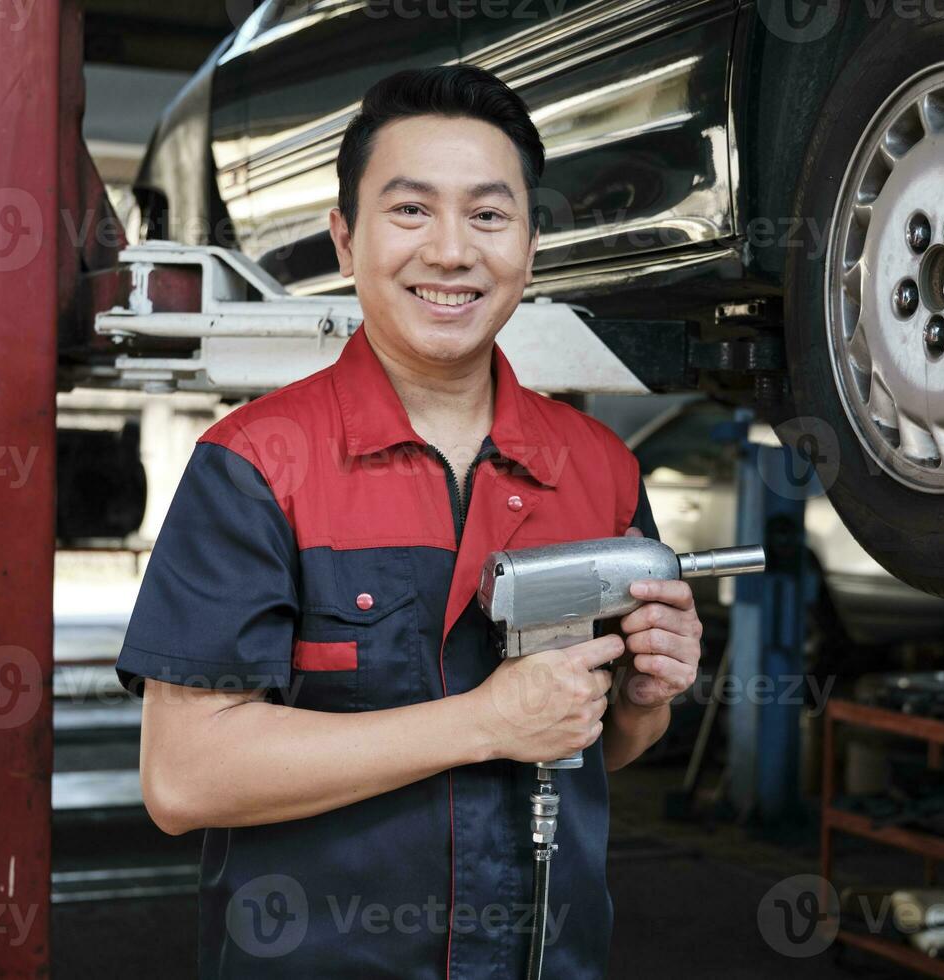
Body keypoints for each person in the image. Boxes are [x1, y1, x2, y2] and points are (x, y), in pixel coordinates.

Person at [114, 64, 705, 978]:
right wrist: (485, 720)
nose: (451, 252)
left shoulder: (601, 468)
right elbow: (185, 778)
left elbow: (610, 749)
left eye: (488, 215)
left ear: (531, 244)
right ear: (345, 241)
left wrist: (643, 697)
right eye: (410, 211)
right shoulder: (259, 466)